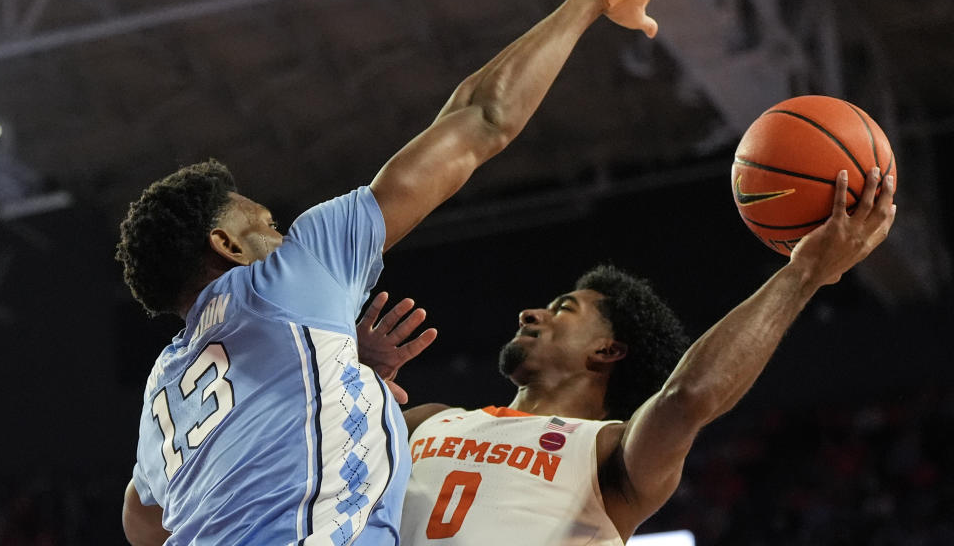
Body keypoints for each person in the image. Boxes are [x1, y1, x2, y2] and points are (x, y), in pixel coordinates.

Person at [117, 0, 738, 546]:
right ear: (227, 246)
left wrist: (330, 382)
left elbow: (142, 525)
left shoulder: (163, 388)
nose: (283, 235)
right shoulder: (295, 274)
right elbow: (482, 120)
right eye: (268, 227)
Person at [369, 168, 896, 544]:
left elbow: (687, 398)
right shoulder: (426, 421)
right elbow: (310, 484)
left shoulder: (610, 452)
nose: (532, 314)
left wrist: (802, 275)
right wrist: (352, 388)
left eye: (564, 309)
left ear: (608, 350)